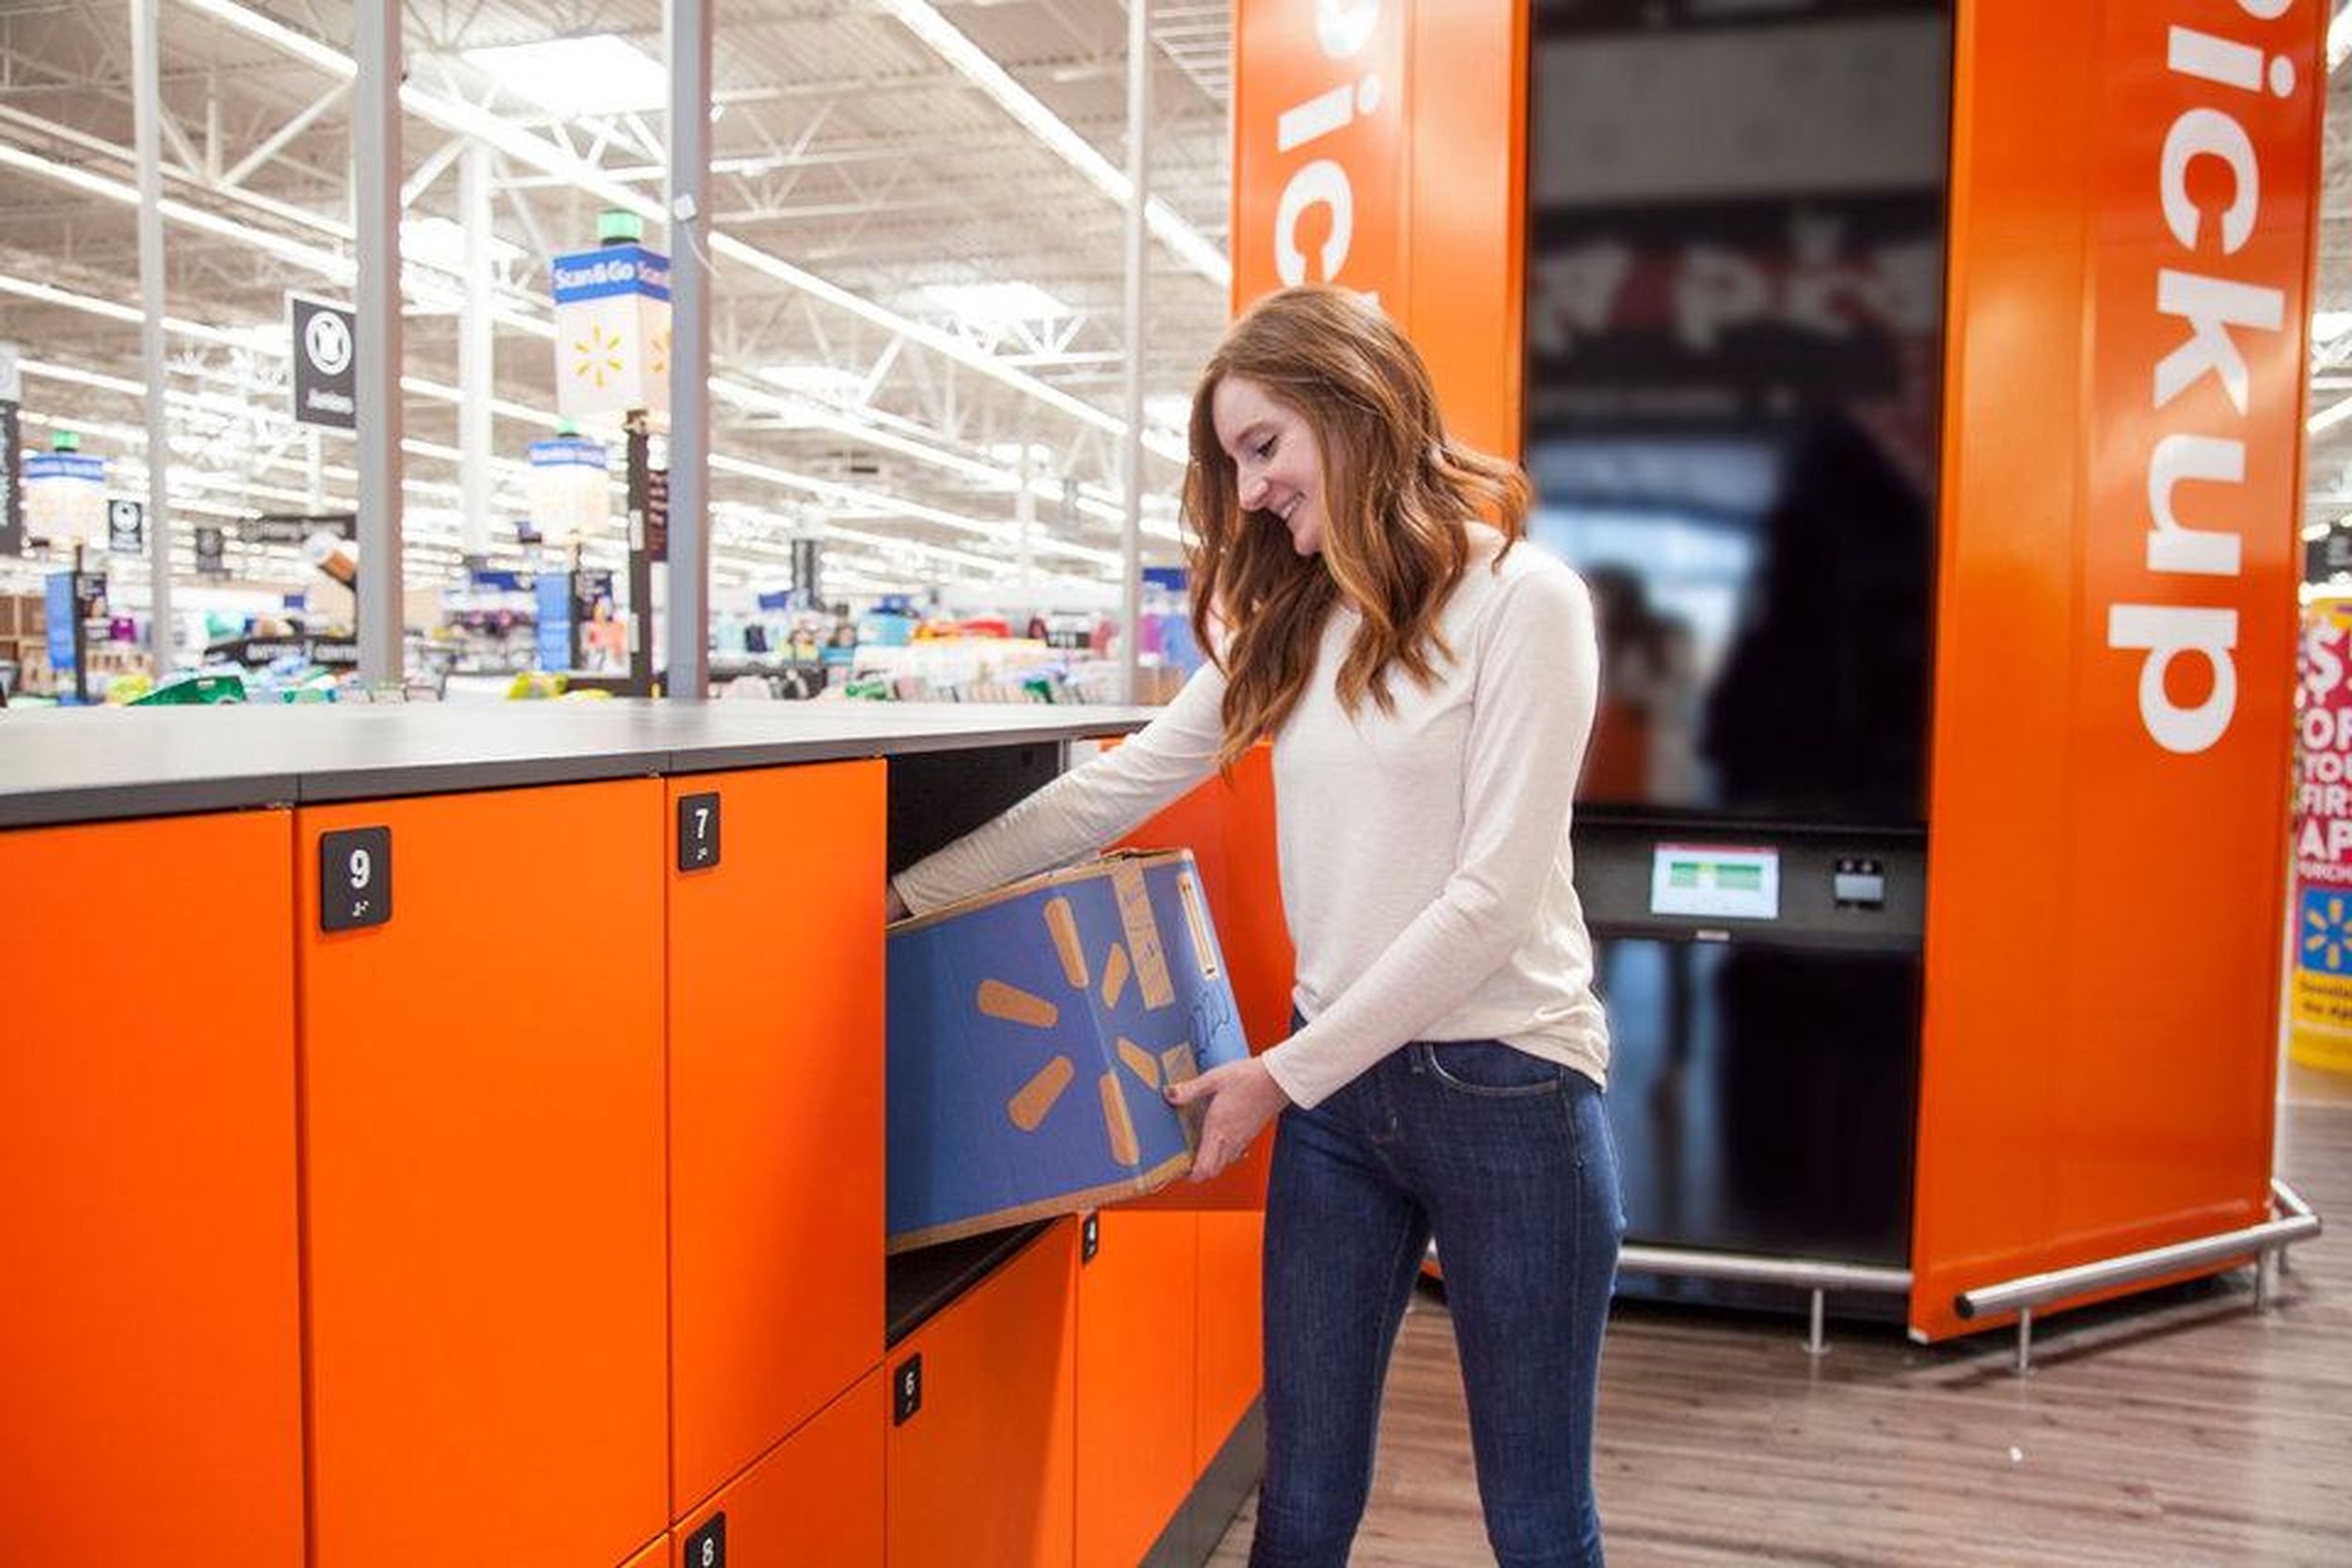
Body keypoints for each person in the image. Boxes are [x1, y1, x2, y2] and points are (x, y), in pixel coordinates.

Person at [887, 284, 1621, 1568]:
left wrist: (1281, 1078)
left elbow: (1492, 900)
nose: (1249, 491)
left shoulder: (1525, 603)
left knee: (1536, 1523)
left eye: (1264, 445)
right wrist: (896, 904)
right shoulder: (1292, 627)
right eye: (1233, 462)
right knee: (1301, 1501)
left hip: (1508, 1087)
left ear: (1357, 405)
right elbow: (1111, 791)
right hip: (1338, 1097)